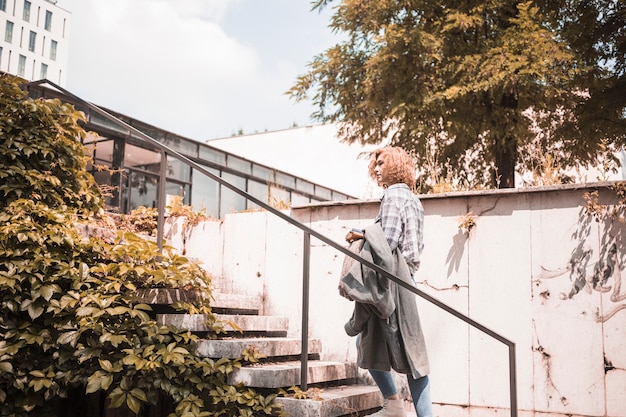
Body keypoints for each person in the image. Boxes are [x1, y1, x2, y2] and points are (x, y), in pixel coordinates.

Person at [341, 147, 433, 417]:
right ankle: (393, 403)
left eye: (382, 163)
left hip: (395, 280)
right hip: (405, 278)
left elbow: (388, 243)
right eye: (376, 164)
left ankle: (400, 405)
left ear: (396, 165)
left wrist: (361, 233)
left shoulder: (392, 195)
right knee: (369, 343)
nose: (377, 168)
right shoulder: (413, 199)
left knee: (411, 354)